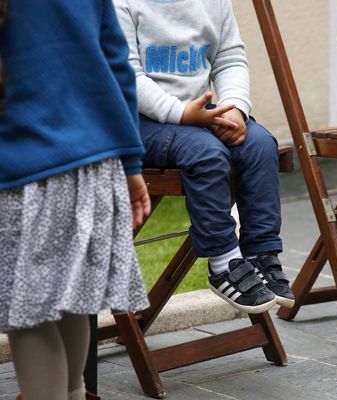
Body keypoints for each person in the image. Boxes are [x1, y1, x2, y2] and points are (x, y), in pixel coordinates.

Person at [0, 0, 151, 399]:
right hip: (94, 165)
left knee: (29, 313)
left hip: (21, 171)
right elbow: (117, 64)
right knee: (69, 300)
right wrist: (131, 162)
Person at [113, 0, 294, 313]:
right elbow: (126, 74)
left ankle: (261, 253)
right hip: (138, 121)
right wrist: (182, 113)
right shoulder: (121, 4)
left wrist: (236, 108)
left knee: (261, 144)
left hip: (199, 115)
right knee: (206, 153)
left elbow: (229, 59)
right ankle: (223, 261)